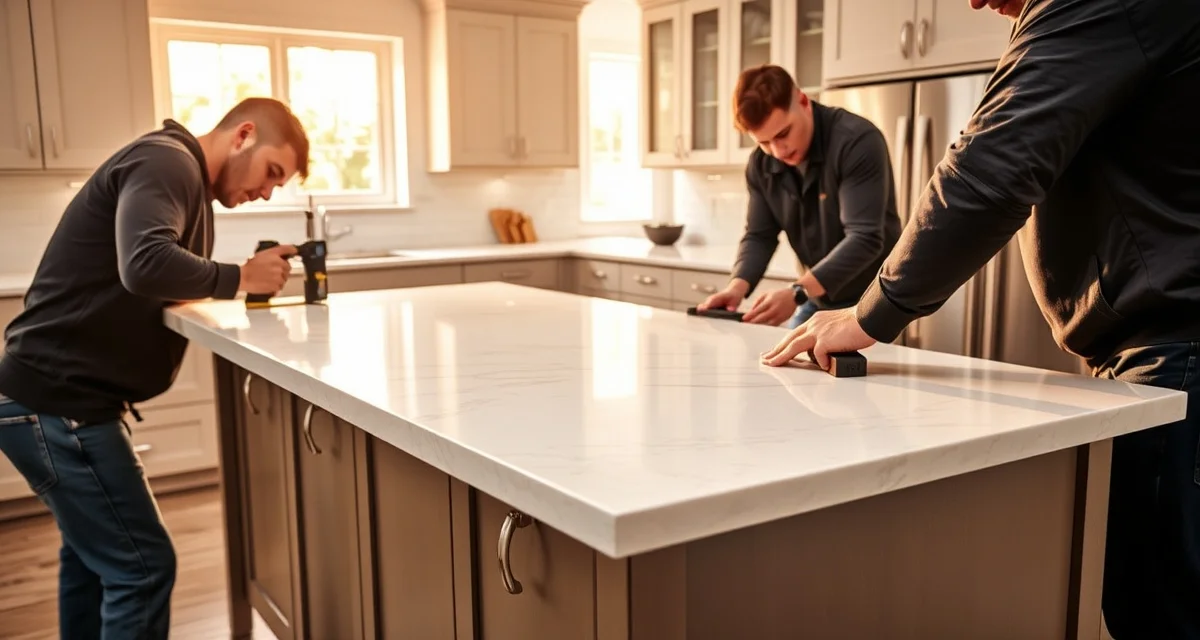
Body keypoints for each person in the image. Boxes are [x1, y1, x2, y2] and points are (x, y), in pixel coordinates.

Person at [760, 0, 1200, 637]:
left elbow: (990, 166)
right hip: (1162, 346)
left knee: (1159, 610)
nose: (969, 2)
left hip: (1178, 352)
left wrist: (870, 314)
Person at [0, 97, 310, 639]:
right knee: (142, 568)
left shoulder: (179, 174)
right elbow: (144, 263)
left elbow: (150, 274)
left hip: (48, 400)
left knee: (93, 561)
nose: (265, 191)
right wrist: (240, 277)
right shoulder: (168, 162)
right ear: (242, 135)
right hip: (57, 405)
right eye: (271, 173)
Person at [698, 64, 902, 328]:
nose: (777, 151)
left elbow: (865, 238)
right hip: (817, 298)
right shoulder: (761, 165)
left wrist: (797, 292)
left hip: (874, 301)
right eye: (763, 142)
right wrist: (736, 287)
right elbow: (759, 235)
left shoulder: (857, 141)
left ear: (803, 101)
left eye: (783, 134)